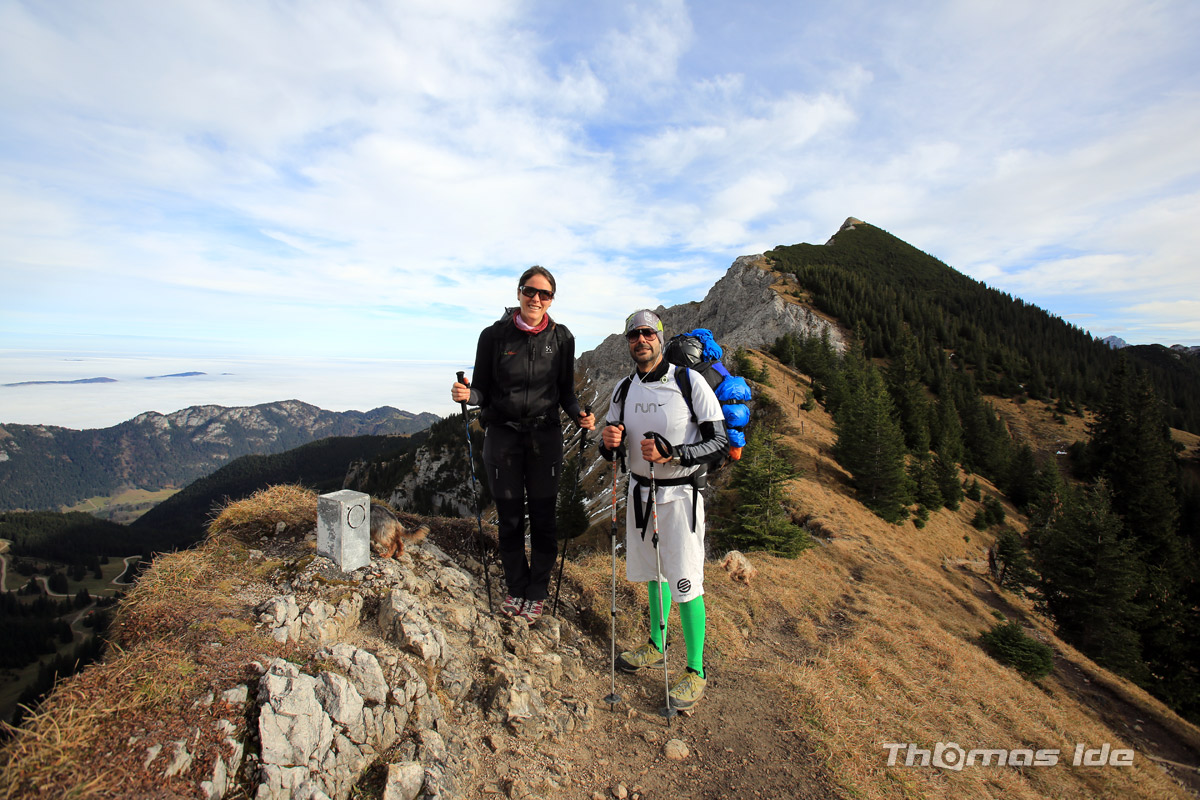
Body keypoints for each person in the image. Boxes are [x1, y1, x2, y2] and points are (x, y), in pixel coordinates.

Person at [599, 309, 728, 711]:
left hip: (681, 497)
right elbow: (609, 449)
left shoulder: (689, 382)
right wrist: (609, 441)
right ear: (629, 342)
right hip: (640, 494)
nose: (641, 340)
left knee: (686, 580)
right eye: (633, 335)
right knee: (655, 575)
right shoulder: (623, 389)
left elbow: (719, 441)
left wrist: (676, 453)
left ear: (660, 337)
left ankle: (695, 670)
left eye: (647, 333)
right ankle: (656, 644)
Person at [451, 266, 595, 623]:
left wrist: (579, 414)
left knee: (544, 517)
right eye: (530, 291)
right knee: (511, 517)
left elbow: (565, 393)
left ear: (551, 300)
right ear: (518, 293)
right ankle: (516, 587)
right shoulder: (494, 336)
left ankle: (537, 591)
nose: (536, 299)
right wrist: (469, 394)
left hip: (545, 436)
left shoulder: (562, 338)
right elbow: (482, 388)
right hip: (502, 435)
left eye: (544, 294)